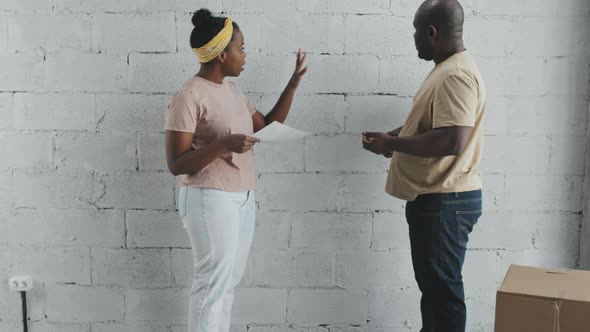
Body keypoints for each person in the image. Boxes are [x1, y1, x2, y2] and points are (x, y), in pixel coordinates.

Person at [164, 9, 307, 332]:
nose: (244, 55)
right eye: (240, 48)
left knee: (228, 283)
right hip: (208, 198)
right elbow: (176, 163)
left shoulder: (233, 92)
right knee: (212, 283)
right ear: (221, 54)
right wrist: (223, 145)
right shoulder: (188, 95)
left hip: (242, 197)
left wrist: (292, 86)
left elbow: (268, 126)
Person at [362, 1, 486, 331]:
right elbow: (435, 128)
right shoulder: (447, 69)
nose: (414, 38)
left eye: (417, 31)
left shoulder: (455, 75)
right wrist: (395, 137)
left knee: (442, 296)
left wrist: (392, 145)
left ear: (432, 32)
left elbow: (451, 141)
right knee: (434, 293)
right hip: (439, 200)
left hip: (445, 201)